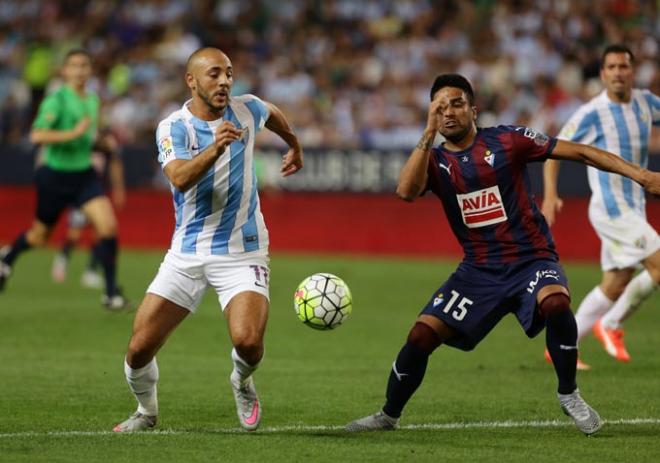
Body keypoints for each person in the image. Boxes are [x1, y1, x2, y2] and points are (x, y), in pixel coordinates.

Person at [345, 74, 660, 435]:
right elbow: (405, 191)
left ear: (474, 110)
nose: (448, 113)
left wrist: (643, 175)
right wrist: (427, 132)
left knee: (556, 303)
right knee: (420, 336)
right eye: (439, 108)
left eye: (456, 104)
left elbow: (583, 151)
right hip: (478, 272)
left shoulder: (509, 140)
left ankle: (569, 393)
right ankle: (388, 415)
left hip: (532, 260)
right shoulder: (433, 161)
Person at [112, 47, 303, 433]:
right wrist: (217, 146)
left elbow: (272, 112)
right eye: (214, 74)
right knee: (137, 350)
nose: (225, 82)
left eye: (229, 74)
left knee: (248, 342)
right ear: (192, 80)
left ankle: (241, 381)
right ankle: (146, 412)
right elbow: (179, 177)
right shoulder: (173, 127)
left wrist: (294, 143)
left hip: (243, 250)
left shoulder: (247, 110)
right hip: (187, 253)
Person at [542, 45, 660, 365]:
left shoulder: (647, 102)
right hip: (611, 208)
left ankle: (562, 345)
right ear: (603, 74)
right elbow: (553, 150)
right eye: (612, 67)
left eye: (624, 66)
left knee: (616, 282)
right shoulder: (591, 113)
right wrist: (551, 194)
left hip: (634, 206)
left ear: (633, 71)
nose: (618, 72)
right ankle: (610, 324)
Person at [0, 49, 128, 309]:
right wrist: (72, 133)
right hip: (55, 176)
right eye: (74, 66)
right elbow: (37, 136)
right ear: (65, 71)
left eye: (84, 65)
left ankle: (111, 292)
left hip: (84, 176)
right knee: (38, 236)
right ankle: (7, 259)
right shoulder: (56, 100)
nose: (80, 70)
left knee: (108, 227)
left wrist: (102, 141)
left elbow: (91, 134)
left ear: (90, 70)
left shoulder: (92, 100)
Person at [51, 129, 126, 289]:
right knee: (75, 233)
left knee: (100, 233)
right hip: (81, 191)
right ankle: (62, 259)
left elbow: (115, 165)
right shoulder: (83, 137)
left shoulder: (107, 142)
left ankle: (90, 272)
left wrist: (119, 189)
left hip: (97, 192)